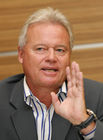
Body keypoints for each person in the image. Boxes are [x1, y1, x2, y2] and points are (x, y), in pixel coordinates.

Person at [0, 7, 103, 140]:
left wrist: (84, 122)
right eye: (41, 49)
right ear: (21, 54)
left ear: (69, 56)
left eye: (60, 50)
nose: (51, 57)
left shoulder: (98, 96)